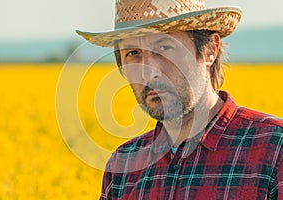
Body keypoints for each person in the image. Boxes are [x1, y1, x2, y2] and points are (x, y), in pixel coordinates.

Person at [76, 0, 283, 199]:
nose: (149, 73)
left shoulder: (274, 149)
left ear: (211, 49)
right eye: (133, 53)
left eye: (165, 48)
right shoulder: (123, 166)